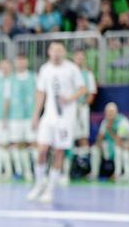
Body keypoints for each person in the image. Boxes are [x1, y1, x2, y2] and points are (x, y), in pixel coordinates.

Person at [28, 42, 87, 203]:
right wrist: (35, 115)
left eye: (60, 50)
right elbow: (41, 93)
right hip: (48, 117)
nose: (56, 53)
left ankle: (50, 189)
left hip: (65, 119)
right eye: (54, 50)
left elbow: (83, 88)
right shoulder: (45, 69)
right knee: (41, 150)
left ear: (64, 52)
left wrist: (69, 99)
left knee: (59, 152)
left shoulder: (71, 68)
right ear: (49, 52)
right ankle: (39, 184)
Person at [65, 50, 97, 181]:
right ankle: (68, 169)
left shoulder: (88, 74)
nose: (79, 59)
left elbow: (91, 94)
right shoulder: (67, 73)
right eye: (77, 57)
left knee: (83, 137)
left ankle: (84, 167)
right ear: (73, 58)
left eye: (82, 57)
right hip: (69, 110)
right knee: (68, 137)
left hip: (82, 109)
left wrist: (82, 105)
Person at [10, 54, 36, 181]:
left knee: (33, 142)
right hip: (15, 116)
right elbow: (7, 99)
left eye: (23, 60)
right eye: (18, 61)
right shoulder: (11, 79)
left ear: (27, 62)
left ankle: (36, 170)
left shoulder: (33, 77)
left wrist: (37, 114)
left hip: (30, 116)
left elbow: (40, 95)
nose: (21, 63)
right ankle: (22, 170)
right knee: (17, 143)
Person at [89, 102, 129, 181]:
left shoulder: (123, 121)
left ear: (116, 112)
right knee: (94, 149)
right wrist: (99, 144)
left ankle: (117, 174)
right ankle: (94, 173)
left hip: (123, 145)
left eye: (111, 112)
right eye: (108, 112)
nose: (110, 114)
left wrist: (109, 128)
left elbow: (118, 141)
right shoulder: (105, 122)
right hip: (110, 145)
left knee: (117, 149)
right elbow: (99, 139)